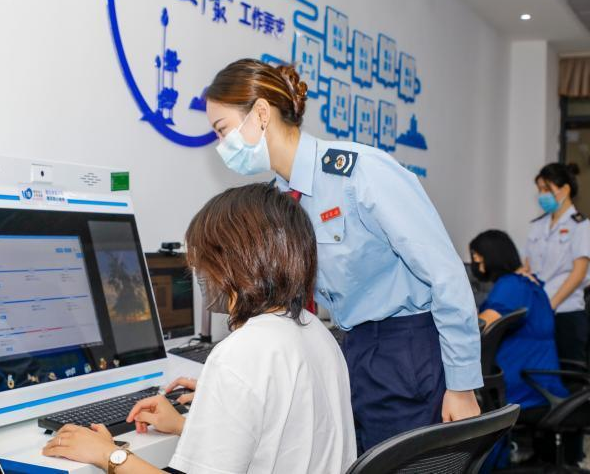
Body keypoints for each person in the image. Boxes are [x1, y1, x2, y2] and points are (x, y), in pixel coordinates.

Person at [204, 59, 482, 452]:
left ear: (261, 113)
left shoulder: (359, 173)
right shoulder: (278, 200)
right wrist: (228, 379)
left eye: (222, 130)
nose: (222, 146)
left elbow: (446, 275)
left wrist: (462, 384)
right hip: (353, 348)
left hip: (407, 350)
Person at [42, 184, 357, 473]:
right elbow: (285, 440)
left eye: (202, 259)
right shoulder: (314, 330)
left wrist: (107, 454)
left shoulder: (242, 352)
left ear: (230, 262)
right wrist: (190, 425)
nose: (198, 271)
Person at [470, 229, 570, 471]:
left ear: (490, 256)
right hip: (542, 383)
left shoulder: (511, 285)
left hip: (523, 389)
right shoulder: (530, 284)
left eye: (477, 257)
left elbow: (481, 326)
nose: (476, 264)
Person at [524, 163, 590, 364]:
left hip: (566, 312)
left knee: (568, 373)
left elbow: (579, 273)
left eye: (546, 189)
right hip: (536, 310)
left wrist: (551, 304)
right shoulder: (537, 225)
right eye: (540, 190)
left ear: (565, 189)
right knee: (538, 370)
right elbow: (527, 266)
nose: (542, 195)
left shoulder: (581, 226)